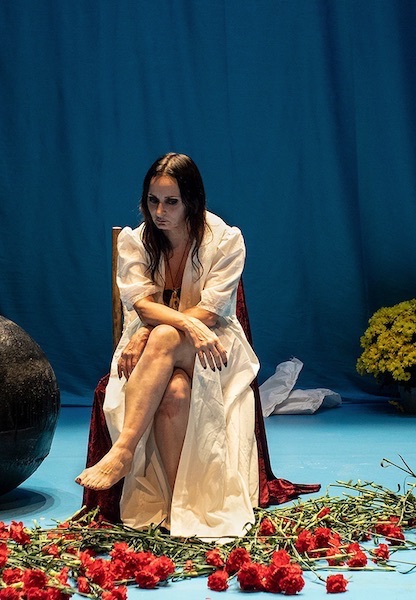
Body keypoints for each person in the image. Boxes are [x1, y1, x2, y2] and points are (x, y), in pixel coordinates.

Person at [76, 152, 260, 538]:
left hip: (213, 345)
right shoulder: (136, 241)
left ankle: (123, 450)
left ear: (191, 201)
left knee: (162, 335)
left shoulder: (226, 240)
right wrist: (154, 329)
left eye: (171, 202)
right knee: (174, 391)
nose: (159, 212)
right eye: (152, 201)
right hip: (161, 344)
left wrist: (154, 330)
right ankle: (179, 504)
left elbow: (210, 314)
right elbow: (141, 305)